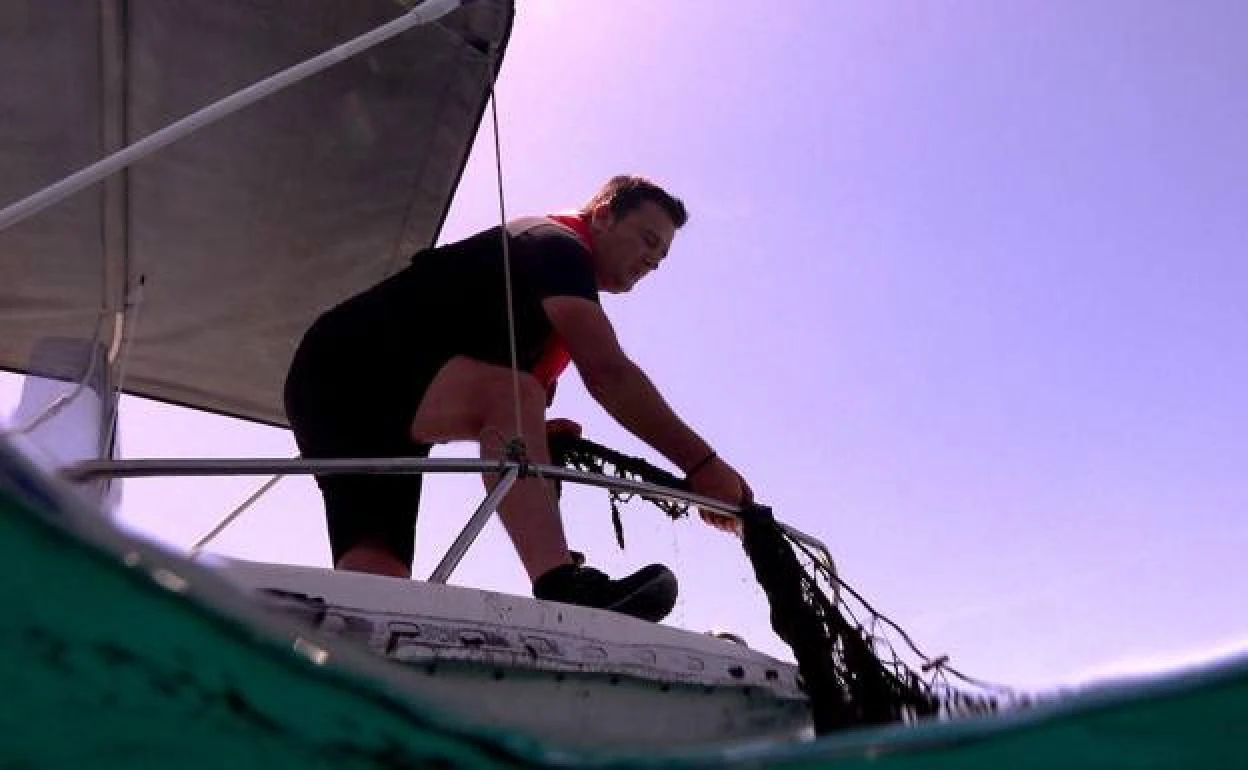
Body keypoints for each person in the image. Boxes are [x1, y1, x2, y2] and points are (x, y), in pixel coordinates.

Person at [284, 175, 750, 622]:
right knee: (515, 392)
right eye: (648, 240)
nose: (653, 261)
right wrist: (702, 465)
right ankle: (561, 584)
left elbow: (499, 407)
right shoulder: (557, 246)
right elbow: (609, 374)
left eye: (663, 255)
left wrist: (534, 429)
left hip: (344, 393)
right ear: (604, 216)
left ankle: (356, 648)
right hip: (352, 358)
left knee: (378, 577)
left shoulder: (548, 301)